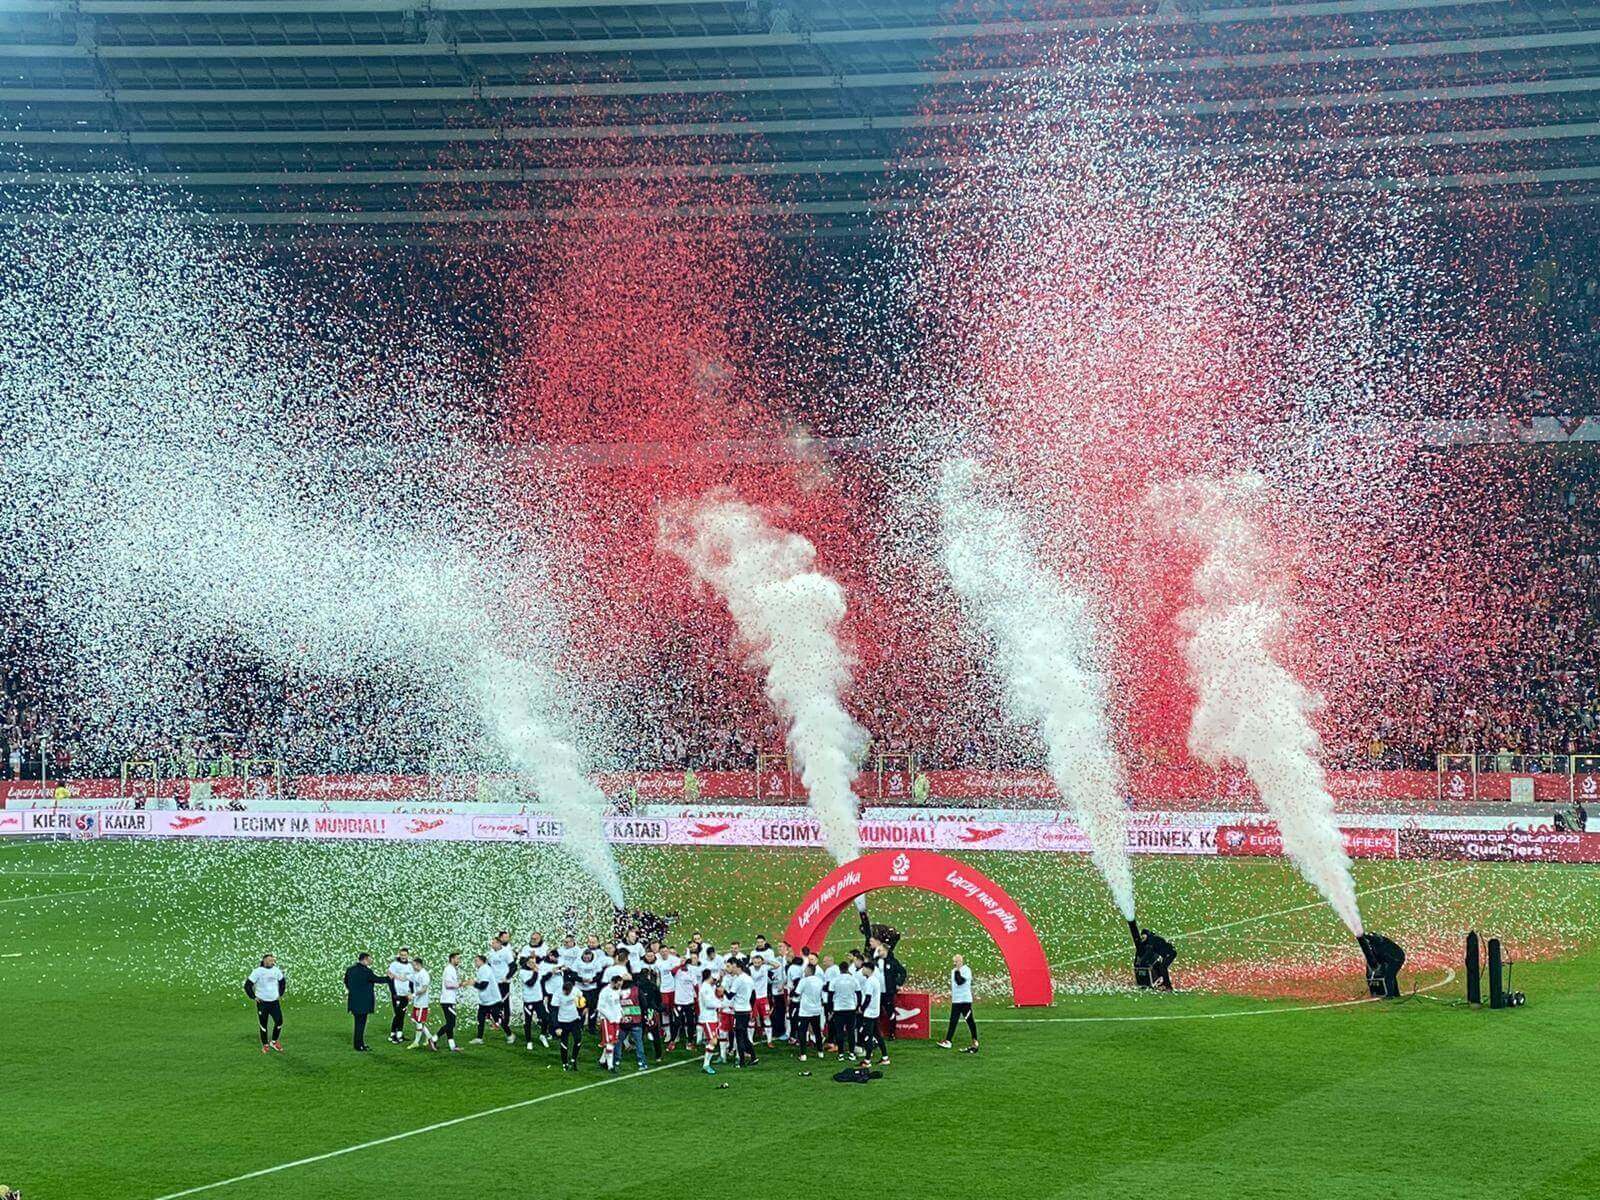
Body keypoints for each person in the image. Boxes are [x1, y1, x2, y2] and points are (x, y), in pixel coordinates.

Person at [245, 953, 286, 1054]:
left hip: (274, 1002)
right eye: (268, 960)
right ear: (264, 961)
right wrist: (253, 997)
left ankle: (274, 1042)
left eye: (272, 960)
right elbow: (247, 985)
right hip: (262, 1003)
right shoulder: (258, 972)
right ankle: (265, 1044)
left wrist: (280, 994)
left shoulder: (276, 971)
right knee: (263, 1024)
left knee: (279, 1021)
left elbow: (282, 982)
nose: (271, 962)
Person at [939, 954, 979, 1052]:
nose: (955, 963)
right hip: (956, 1000)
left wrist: (957, 971)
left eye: (956, 961)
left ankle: (975, 1039)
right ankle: (948, 1040)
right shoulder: (953, 971)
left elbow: (960, 981)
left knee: (969, 1020)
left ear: (961, 961)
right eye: (954, 961)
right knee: (953, 1020)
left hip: (965, 1000)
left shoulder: (966, 970)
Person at [343, 952, 382, 1052]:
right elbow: (377, 979)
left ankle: (358, 1044)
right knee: (361, 1024)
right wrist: (389, 978)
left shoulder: (350, 970)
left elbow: (346, 982)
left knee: (358, 1023)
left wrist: (354, 991)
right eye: (369, 959)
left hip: (354, 1001)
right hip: (364, 1002)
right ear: (364, 959)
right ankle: (359, 1045)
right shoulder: (367, 972)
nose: (371, 960)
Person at [725, 960, 757, 1068]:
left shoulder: (738, 980)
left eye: (734, 967)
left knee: (739, 1037)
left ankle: (742, 1061)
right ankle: (753, 1057)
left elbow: (730, 996)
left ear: (739, 967)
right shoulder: (749, 979)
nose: (732, 969)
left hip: (739, 1011)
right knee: (744, 1035)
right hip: (746, 1010)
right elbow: (753, 995)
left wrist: (723, 989)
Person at [793, 963, 827, 1060]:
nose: (804, 971)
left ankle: (803, 1054)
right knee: (817, 1031)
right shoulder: (819, 981)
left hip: (805, 1011)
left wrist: (793, 995)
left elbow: (797, 993)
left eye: (805, 969)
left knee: (802, 1031)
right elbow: (823, 995)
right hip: (816, 1009)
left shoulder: (804, 981)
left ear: (809, 970)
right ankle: (820, 1052)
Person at [553, 970, 586, 1070]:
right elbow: (553, 1011)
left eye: (568, 992)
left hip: (574, 1019)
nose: (566, 993)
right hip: (563, 1021)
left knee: (578, 1039)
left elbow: (582, 999)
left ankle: (573, 1059)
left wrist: (583, 1008)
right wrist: (557, 1026)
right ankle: (565, 1063)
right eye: (565, 991)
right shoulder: (557, 994)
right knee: (564, 1043)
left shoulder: (576, 990)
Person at [827, 958, 859, 1059]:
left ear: (840, 969)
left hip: (838, 1009)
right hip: (850, 1008)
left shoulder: (835, 980)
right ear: (847, 969)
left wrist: (830, 1009)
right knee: (851, 1031)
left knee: (839, 1032)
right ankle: (852, 1053)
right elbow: (859, 993)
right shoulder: (853, 979)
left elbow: (830, 996)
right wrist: (857, 1006)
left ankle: (840, 1054)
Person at [858, 962, 888, 1065]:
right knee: (878, 1035)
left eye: (863, 968)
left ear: (868, 969)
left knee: (868, 1036)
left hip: (869, 1013)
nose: (862, 970)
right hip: (875, 1012)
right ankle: (885, 1057)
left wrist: (862, 1008)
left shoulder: (870, 982)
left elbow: (868, 997)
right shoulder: (875, 980)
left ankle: (867, 1060)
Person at [519, 948, 549, 1050]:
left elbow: (542, 982)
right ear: (527, 963)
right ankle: (529, 1041)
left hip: (538, 1000)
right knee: (528, 1021)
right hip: (528, 1000)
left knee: (545, 1018)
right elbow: (530, 983)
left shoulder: (537, 969)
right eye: (531, 962)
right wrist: (536, 972)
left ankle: (542, 1035)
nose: (533, 964)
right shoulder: (523, 972)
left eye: (534, 962)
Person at [408, 956, 438, 1050]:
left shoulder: (424, 974)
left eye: (413, 965)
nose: (412, 967)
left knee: (419, 1022)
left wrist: (413, 995)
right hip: (417, 1002)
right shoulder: (416, 973)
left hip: (422, 1003)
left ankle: (419, 1041)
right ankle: (428, 1038)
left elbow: (424, 989)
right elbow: (408, 978)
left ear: (418, 965)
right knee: (416, 1021)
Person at [385, 948, 414, 1045]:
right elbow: (388, 973)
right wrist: (397, 977)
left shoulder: (410, 966)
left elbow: (412, 979)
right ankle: (393, 1034)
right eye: (401, 955)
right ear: (399, 955)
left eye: (405, 955)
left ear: (407, 955)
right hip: (397, 993)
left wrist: (411, 992)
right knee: (397, 1014)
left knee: (402, 1013)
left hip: (405, 993)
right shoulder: (394, 964)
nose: (403, 957)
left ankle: (400, 1034)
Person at [696, 968, 722, 1075]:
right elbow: (708, 1004)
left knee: (713, 1040)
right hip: (707, 1018)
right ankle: (706, 1065)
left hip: (712, 1018)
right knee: (713, 1041)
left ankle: (706, 1064)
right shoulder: (705, 988)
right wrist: (721, 1004)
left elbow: (714, 1000)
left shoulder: (709, 987)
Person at [596, 974, 624, 1071]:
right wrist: (610, 1017)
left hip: (616, 1019)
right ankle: (610, 1066)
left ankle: (602, 1061)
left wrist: (621, 1013)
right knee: (609, 1043)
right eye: (618, 984)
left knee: (612, 1042)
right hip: (607, 1020)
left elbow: (617, 1004)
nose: (619, 987)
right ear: (613, 982)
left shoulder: (617, 991)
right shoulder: (605, 992)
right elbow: (600, 1007)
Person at [471, 953, 500, 1044]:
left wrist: (473, 983)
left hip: (491, 1000)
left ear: (481, 961)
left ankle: (509, 1034)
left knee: (497, 1019)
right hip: (485, 1000)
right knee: (480, 1018)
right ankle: (479, 1038)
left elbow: (483, 985)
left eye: (476, 961)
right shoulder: (482, 969)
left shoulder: (485, 969)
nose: (475, 963)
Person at [439, 951, 463, 1053]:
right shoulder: (449, 969)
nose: (459, 961)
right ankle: (434, 1038)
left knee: (450, 1023)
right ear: (452, 959)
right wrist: (461, 984)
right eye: (457, 959)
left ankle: (452, 1046)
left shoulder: (451, 969)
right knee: (451, 1023)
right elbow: (448, 984)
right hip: (447, 1000)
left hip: (449, 1000)